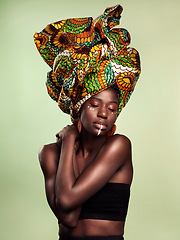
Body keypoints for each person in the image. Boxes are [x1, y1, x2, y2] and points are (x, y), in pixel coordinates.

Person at [34, 5, 141, 240]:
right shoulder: (50, 153)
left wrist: (70, 136)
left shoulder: (119, 147)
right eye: (94, 104)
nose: (104, 113)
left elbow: (67, 200)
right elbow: (69, 218)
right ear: (78, 108)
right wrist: (69, 144)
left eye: (112, 109)